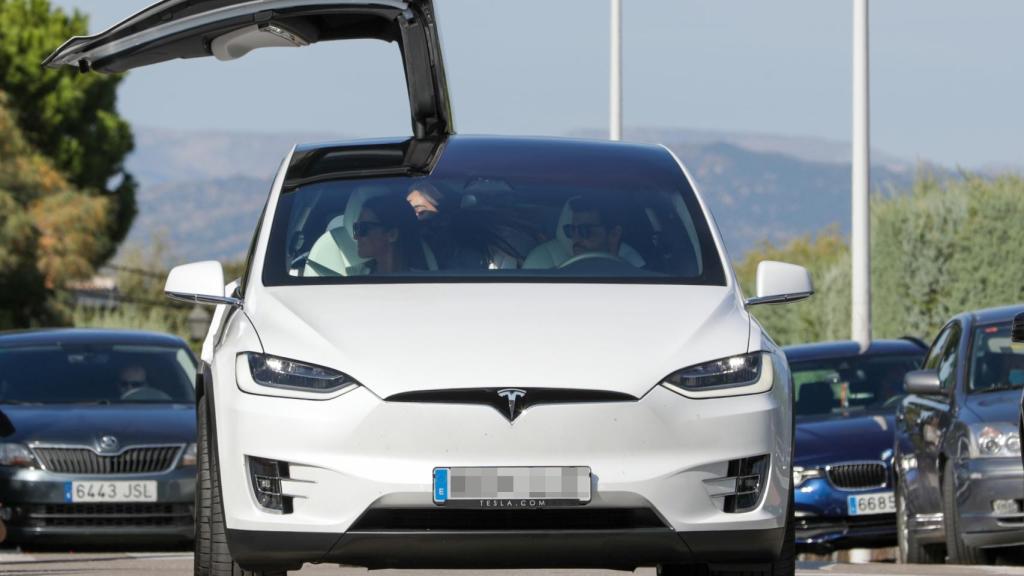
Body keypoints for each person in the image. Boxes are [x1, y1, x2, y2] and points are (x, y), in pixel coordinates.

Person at [353, 194, 427, 274]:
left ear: (392, 234)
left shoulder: (426, 281)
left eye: (363, 228)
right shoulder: (351, 276)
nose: (356, 236)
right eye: (356, 227)